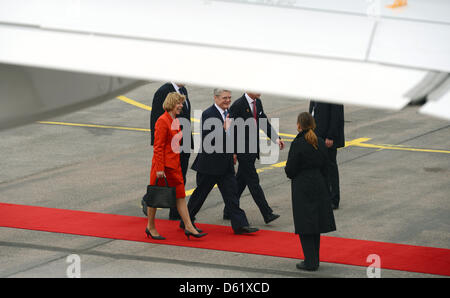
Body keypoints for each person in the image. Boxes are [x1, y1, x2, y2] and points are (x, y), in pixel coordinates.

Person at [186, 89, 259, 235]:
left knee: (231, 195)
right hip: (209, 165)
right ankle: (186, 220)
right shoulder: (208, 114)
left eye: (229, 98)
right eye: (224, 98)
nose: (227, 100)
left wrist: (233, 152)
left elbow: (230, 136)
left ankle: (240, 225)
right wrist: (222, 128)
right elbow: (208, 139)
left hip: (225, 164)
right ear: (216, 98)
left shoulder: (229, 114)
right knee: (200, 195)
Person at [146, 92, 207, 240]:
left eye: (181, 103)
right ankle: (150, 226)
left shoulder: (176, 121)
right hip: (163, 168)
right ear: (172, 104)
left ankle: (188, 226)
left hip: (174, 166)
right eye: (179, 103)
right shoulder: (162, 121)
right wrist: (160, 168)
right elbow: (158, 147)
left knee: (180, 196)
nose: (181, 106)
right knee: (155, 197)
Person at [285, 112, 336, 271]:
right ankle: (315, 258)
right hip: (319, 183)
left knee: (305, 224)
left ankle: (310, 261)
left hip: (303, 185)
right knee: (315, 223)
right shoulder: (319, 142)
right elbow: (326, 166)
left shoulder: (298, 143)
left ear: (299, 125)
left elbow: (290, 169)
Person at [223, 92, 284, 224]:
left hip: (252, 149)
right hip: (242, 151)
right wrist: (232, 151)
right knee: (253, 182)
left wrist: (276, 138)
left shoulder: (257, 103)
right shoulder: (238, 105)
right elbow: (229, 129)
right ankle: (267, 213)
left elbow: (263, 122)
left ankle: (228, 210)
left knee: (240, 181)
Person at [143, 82, 194, 219]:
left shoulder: (183, 90)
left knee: (181, 178)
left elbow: (185, 118)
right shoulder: (163, 91)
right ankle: (150, 201)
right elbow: (156, 119)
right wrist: (158, 147)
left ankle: (176, 213)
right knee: (171, 182)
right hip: (170, 147)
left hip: (183, 143)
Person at [309, 101, 345, 210]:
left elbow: (336, 116)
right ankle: (323, 196)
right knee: (320, 167)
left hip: (327, 137)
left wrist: (331, 136)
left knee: (330, 168)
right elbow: (313, 110)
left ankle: (334, 199)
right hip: (316, 135)